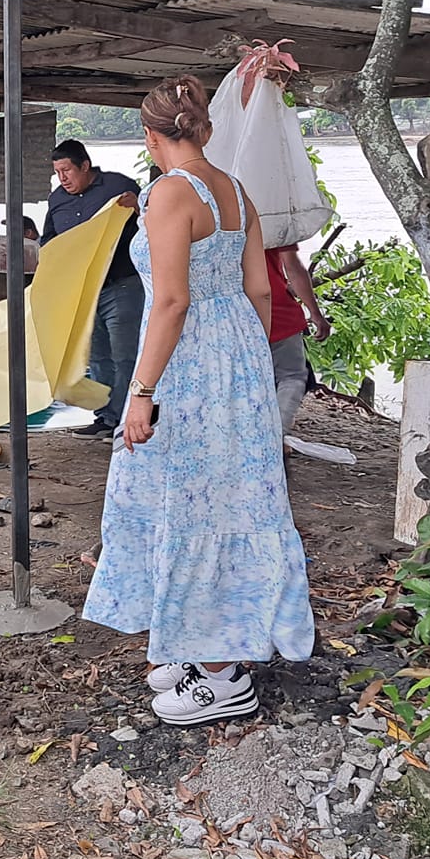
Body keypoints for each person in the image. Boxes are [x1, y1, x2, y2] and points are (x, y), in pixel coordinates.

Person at [83, 77, 314, 728]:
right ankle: (198, 644)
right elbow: (260, 293)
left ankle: (223, 676)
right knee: (222, 499)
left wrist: (142, 393)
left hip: (186, 364)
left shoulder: (167, 193)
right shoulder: (236, 192)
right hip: (237, 355)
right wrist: (250, 373)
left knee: (185, 499)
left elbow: (171, 300)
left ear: (150, 136)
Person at [41, 140, 142, 439]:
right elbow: (49, 242)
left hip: (121, 283)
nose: (63, 178)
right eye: (57, 172)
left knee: (125, 354)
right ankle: (105, 418)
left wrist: (139, 207)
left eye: (67, 170)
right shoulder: (57, 199)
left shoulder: (119, 187)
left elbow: (153, 223)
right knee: (97, 355)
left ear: (85, 166)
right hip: (83, 290)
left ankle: (128, 418)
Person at [265, 246, 329, 433]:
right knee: (292, 377)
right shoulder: (274, 226)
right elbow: (293, 267)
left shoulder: (202, 226)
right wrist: (315, 313)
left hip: (228, 316)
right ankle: (276, 435)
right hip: (277, 313)